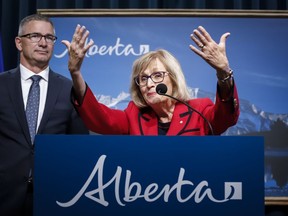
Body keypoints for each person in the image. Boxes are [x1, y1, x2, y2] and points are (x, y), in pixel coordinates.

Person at [62, 25, 239, 136]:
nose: (149, 83)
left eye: (157, 75)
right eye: (143, 78)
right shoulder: (133, 115)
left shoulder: (199, 110)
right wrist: (76, 72)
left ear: (173, 78)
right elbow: (100, 119)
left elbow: (226, 118)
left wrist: (223, 71)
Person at [0, 14, 89, 216]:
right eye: (35, 36)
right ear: (18, 42)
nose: (43, 43)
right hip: (4, 196)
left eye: (49, 38)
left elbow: (79, 147)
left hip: (53, 197)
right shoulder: (1, 84)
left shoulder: (69, 88)